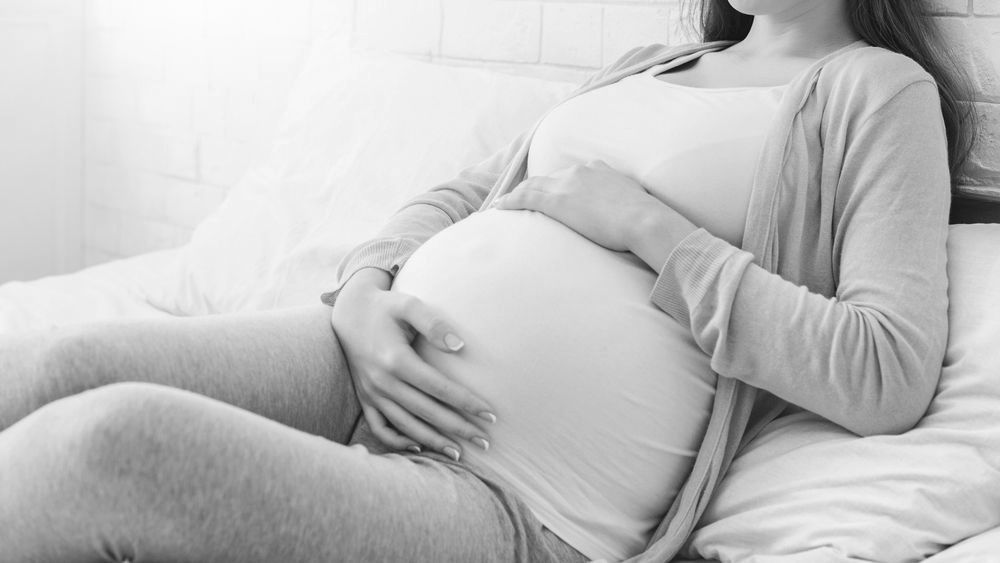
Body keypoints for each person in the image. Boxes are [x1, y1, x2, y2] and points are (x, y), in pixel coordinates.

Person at [0, 0, 975, 561]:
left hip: (513, 492)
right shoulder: (653, 64)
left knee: (112, 443)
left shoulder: (875, 90)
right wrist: (365, 295)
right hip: (366, 360)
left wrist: (644, 222)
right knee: (65, 361)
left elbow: (882, 370)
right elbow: (458, 193)